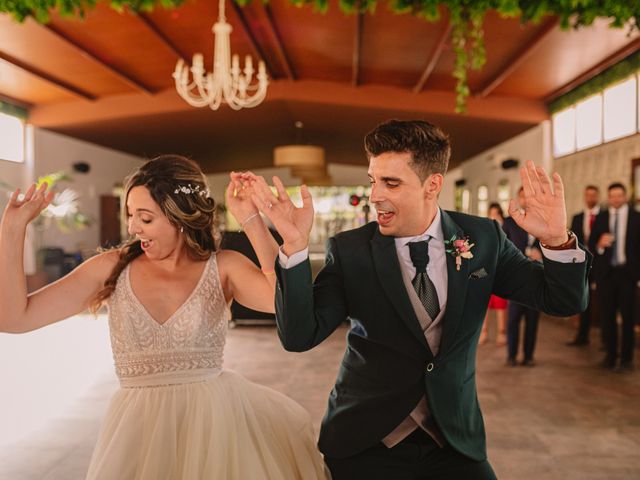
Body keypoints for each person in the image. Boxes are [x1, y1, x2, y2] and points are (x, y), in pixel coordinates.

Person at [250, 120, 590, 480]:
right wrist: (294, 247)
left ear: (433, 185)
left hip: (453, 438)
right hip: (366, 439)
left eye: (391, 183)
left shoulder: (484, 238)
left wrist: (556, 241)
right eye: (373, 180)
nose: (374, 195)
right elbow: (299, 336)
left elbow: (563, 301)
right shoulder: (350, 250)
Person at [0, 155, 328, 479]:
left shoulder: (223, 267)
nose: (131, 227)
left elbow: (284, 301)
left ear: (180, 217)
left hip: (214, 428)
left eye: (145, 218)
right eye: (130, 215)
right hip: (137, 430)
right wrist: (13, 230)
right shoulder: (111, 269)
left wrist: (252, 220)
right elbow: (14, 318)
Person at [589, 182, 640, 372]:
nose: (616, 199)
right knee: (607, 317)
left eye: (619, 195)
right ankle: (610, 356)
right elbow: (592, 244)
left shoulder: (636, 217)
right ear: (608, 197)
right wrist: (600, 244)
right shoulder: (601, 217)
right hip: (607, 275)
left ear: (625, 196)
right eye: (612, 195)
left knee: (628, 318)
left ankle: (626, 359)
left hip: (628, 275)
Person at [502, 187, 544, 367]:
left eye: (529, 196)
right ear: (519, 198)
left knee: (532, 321)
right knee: (513, 320)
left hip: (537, 280)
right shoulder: (509, 223)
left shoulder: (543, 222)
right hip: (516, 279)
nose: (526, 200)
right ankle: (511, 355)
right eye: (522, 196)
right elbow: (503, 248)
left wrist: (541, 255)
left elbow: (550, 244)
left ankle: (529, 356)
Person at [567, 185, 601, 346]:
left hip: (602, 266)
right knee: (583, 300)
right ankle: (582, 336)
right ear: (584, 196)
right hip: (583, 266)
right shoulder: (578, 218)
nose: (591, 198)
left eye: (593, 195)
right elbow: (573, 242)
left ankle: (606, 340)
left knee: (603, 301)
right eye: (588, 195)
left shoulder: (604, 216)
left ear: (598, 196)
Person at [479, 203, 507, 345]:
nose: (494, 215)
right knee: (485, 303)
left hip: (502, 270)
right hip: (487, 269)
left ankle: (501, 333)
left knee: (500, 303)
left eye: (497, 213)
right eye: (492, 213)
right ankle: (483, 332)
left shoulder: (506, 229)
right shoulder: (485, 229)